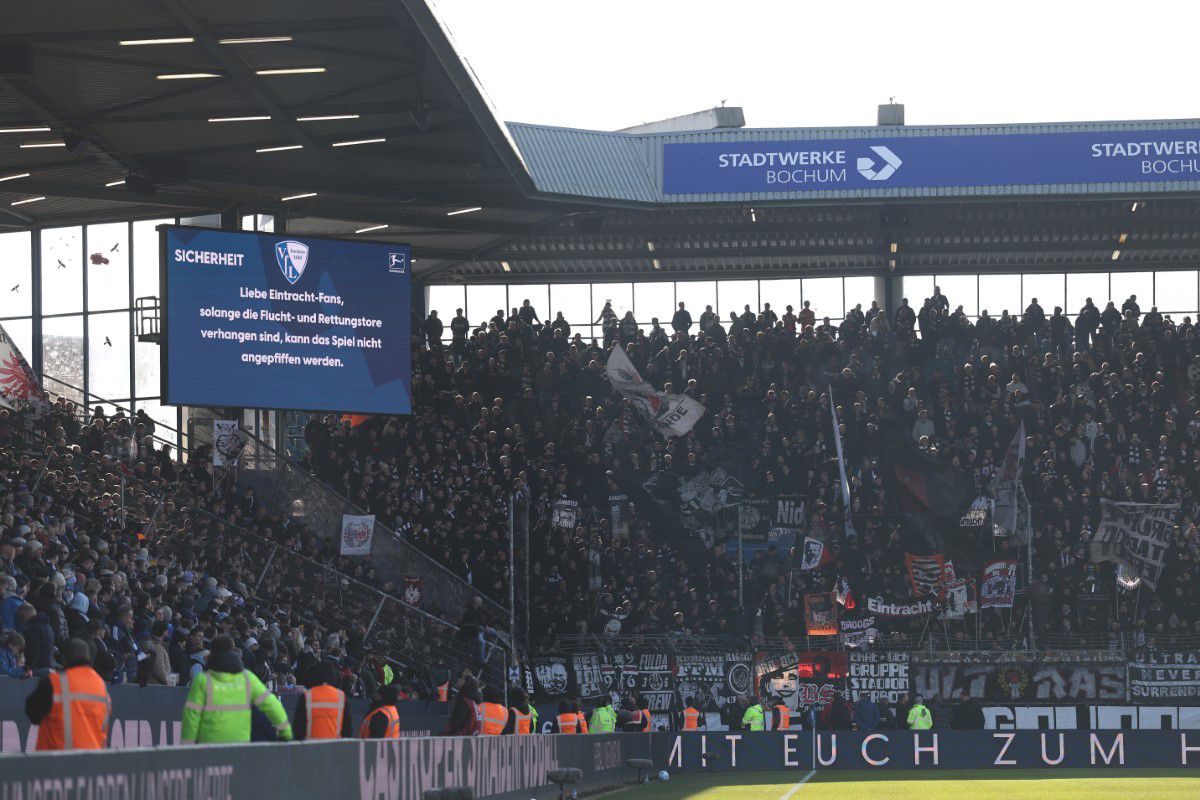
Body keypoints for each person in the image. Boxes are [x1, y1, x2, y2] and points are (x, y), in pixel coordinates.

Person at [181, 635, 291, 744]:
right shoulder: (247, 678)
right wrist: (286, 733)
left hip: (210, 745)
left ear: (212, 653)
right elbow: (272, 705)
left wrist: (187, 745)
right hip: (240, 746)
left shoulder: (202, 680)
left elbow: (191, 716)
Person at [25, 638, 110, 751]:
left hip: (57, 764)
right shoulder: (101, 686)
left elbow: (32, 712)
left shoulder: (54, 683)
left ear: (64, 659)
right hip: (93, 763)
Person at [293, 662, 352, 740]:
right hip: (336, 748)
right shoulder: (342, 697)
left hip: (309, 748)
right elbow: (348, 729)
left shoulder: (307, 696)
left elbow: (298, 727)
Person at [443, 669, 480, 736]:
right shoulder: (473, 701)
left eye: (461, 678)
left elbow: (455, 724)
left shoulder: (464, 702)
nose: (458, 680)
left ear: (465, 683)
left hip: (461, 737)